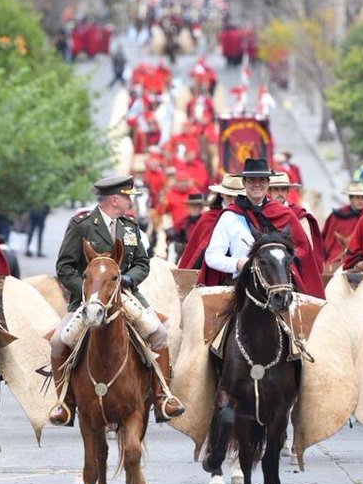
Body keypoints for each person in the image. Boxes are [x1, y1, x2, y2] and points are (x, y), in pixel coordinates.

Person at [54, 175, 185, 424]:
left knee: (159, 333)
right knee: (59, 341)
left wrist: (129, 278)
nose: (130, 202)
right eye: (127, 197)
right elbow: (64, 267)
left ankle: (162, 398)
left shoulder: (130, 227)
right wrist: (89, 291)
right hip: (88, 299)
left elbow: (142, 263)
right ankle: (65, 403)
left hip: (125, 295)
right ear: (114, 200)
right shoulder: (82, 225)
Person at [198, 158, 325, 298]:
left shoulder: (285, 214)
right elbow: (212, 256)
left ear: (268, 183)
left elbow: (302, 251)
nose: (257, 184)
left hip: (280, 285)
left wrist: (282, 263)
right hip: (239, 286)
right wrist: (237, 264)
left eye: (262, 180)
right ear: (244, 183)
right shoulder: (229, 216)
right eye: (252, 180)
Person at [178, 175, 242, 269]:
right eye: (229, 196)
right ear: (222, 194)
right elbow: (196, 248)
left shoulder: (247, 216)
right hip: (209, 268)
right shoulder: (209, 217)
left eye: (236, 197)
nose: (232, 201)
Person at [269, 172, 324, 274]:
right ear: (270, 191)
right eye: (276, 189)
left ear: (288, 191)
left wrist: (288, 260)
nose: (280, 193)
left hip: (294, 266)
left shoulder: (299, 215)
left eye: (283, 189)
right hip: (268, 265)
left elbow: (307, 246)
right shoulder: (263, 213)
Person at [321, 182, 363, 267]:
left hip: (359, 258)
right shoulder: (337, 215)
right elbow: (325, 237)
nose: (361, 201)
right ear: (350, 198)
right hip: (335, 257)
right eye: (357, 198)